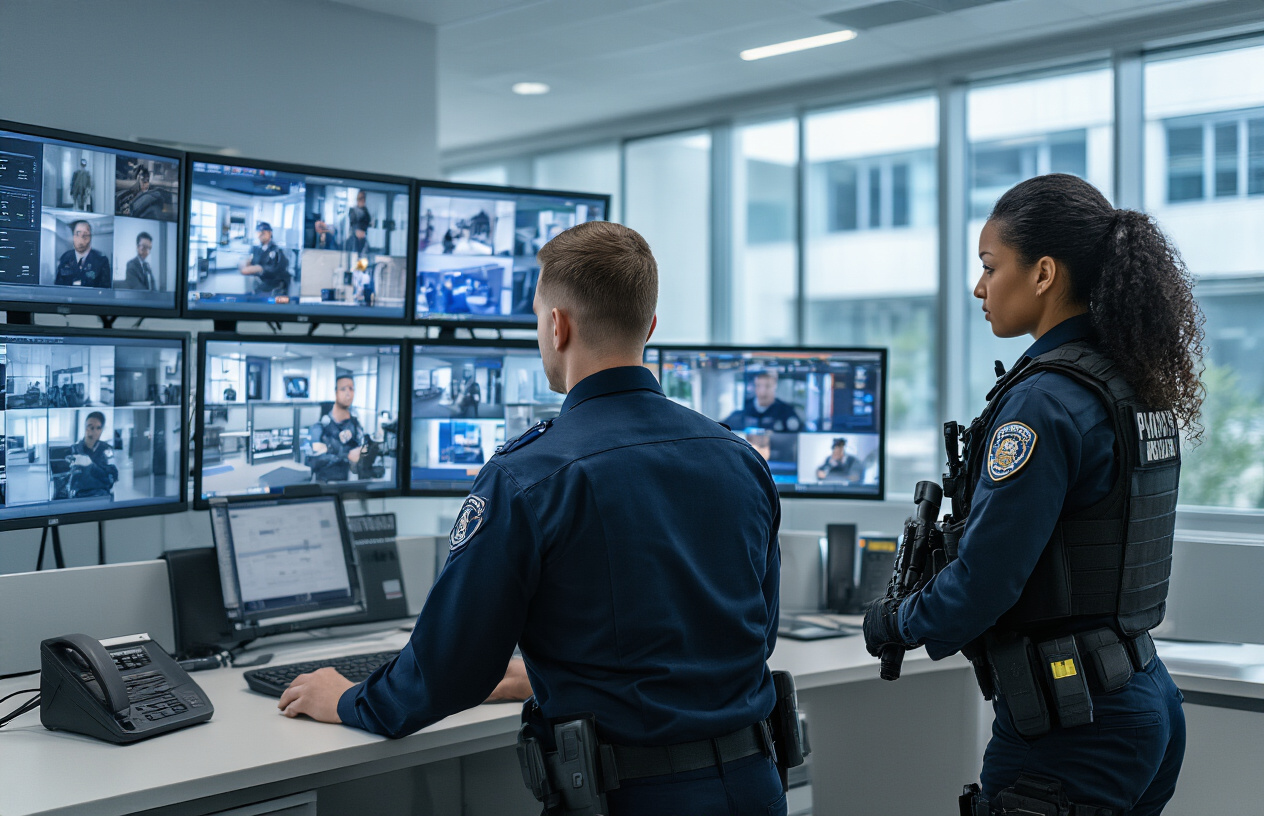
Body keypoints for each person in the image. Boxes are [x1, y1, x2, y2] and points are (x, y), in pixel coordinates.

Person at [277, 221, 787, 816]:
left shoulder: (529, 475)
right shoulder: (739, 459)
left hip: (626, 799)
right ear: (648, 327)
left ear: (556, 325)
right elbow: (751, 633)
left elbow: (449, 672)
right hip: (754, 789)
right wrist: (551, 674)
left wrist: (345, 698)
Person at [863, 174, 1202, 816]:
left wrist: (896, 623)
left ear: (1043, 274)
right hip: (1144, 697)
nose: (979, 287)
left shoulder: (1042, 406)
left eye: (991, 267)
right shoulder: (1132, 382)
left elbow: (985, 581)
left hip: (1073, 726)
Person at [307, 374, 365, 482]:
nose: (348, 393)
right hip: (325, 486)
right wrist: (347, 456)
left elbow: (361, 447)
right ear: (336, 393)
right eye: (343, 389)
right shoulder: (320, 426)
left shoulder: (355, 424)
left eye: (351, 389)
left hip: (349, 483)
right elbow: (316, 459)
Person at [722, 369, 803, 433]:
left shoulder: (786, 412)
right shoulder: (743, 410)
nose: (762, 391)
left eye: (768, 386)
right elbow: (723, 429)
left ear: (775, 386)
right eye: (758, 386)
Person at [67, 412, 117, 499]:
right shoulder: (74, 449)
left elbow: (110, 479)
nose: (94, 431)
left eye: (98, 428)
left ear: (101, 430)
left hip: (101, 496)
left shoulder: (108, 450)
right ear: (85, 427)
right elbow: (69, 479)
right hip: (78, 497)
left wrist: (91, 466)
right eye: (90, 427)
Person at [54, 220, 112, 288]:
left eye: (85, 234)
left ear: (90, 237)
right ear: (73, 236)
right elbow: (58, 286)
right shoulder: (65, 257)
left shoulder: (101, 260)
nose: (81, 238)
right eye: (78, 234)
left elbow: (105, 289)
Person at [239, 222, 291, 296]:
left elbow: (278, 268)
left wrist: (260, 268)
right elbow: (249, 262)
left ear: (270, 233)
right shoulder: (256, 249)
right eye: (258, 232)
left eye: (263, 233)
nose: (260, 235)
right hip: (258, 283)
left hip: (273, 285)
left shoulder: (277, 250)